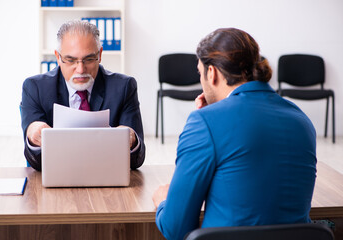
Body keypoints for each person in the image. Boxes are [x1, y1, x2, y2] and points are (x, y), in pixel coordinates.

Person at [152, 28, 317, 240]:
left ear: (211, 73)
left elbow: (176, 229)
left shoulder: (204, 122)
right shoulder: (301, 119)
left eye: (199, 73)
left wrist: (164, 202)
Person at [20, 20, 145, 171]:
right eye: (71, 60)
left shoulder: (124, 87)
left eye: (89, 59)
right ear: (58, 57)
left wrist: (131, 141)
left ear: (99, 55)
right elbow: (36, 163)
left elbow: (137, 160)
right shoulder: (35, 88)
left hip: (106, 176)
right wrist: (33, 137)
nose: (80, 69)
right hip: (58, 175)